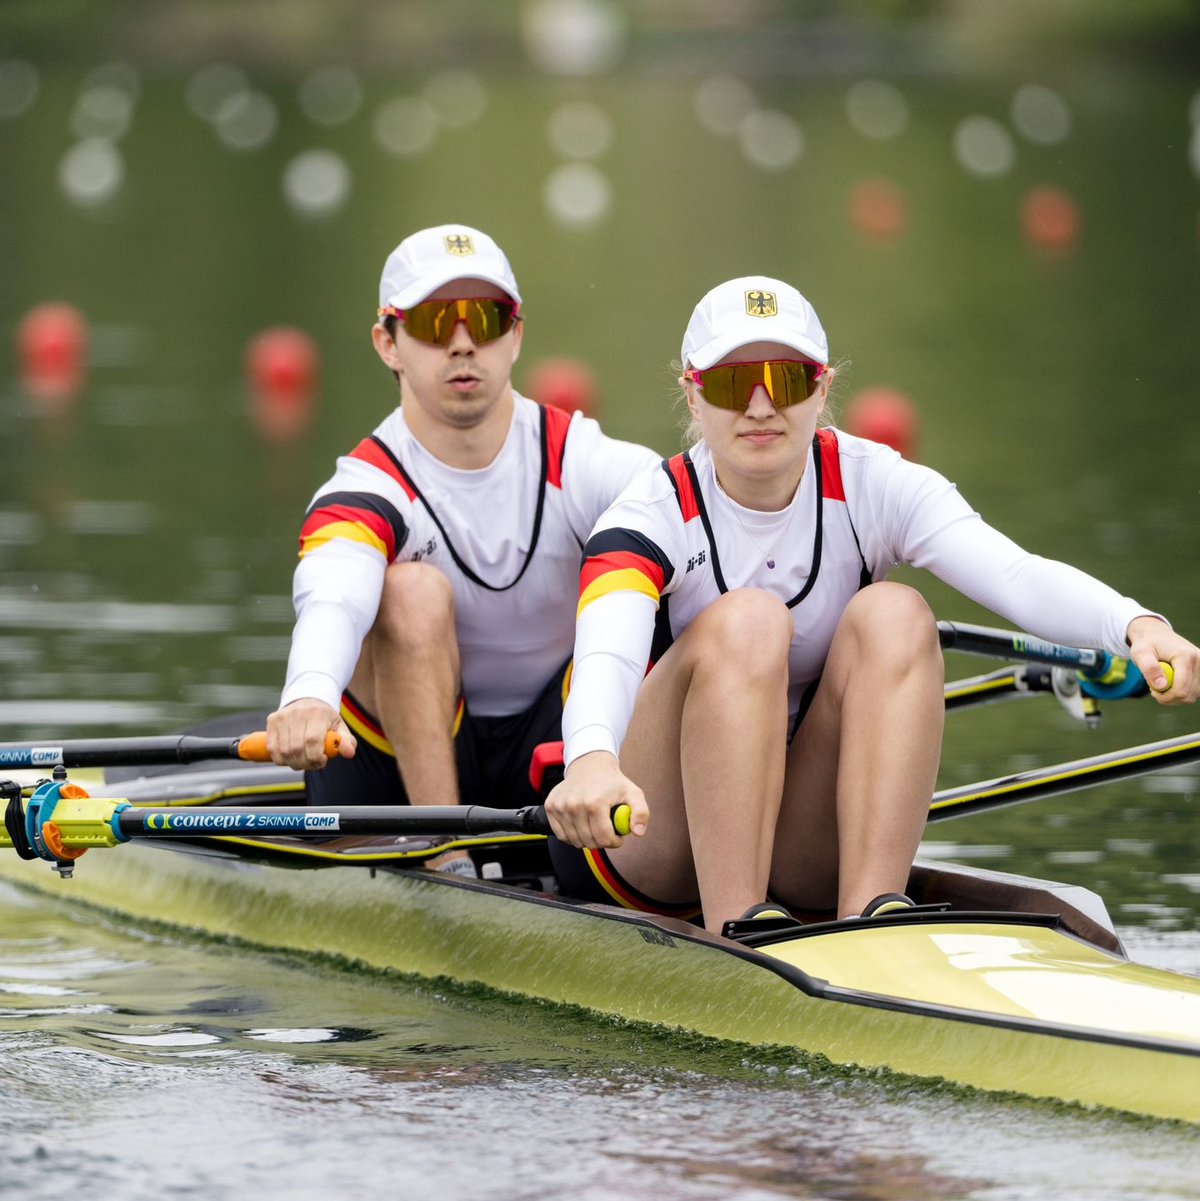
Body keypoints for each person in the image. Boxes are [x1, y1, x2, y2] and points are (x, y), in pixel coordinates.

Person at [545, 275, 1200, 932]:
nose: (761, 405)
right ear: (693, 392)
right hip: (651, 835)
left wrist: (1136, 625)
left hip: (800, 837)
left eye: (788, 379)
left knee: (898, 614)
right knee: (750, 620)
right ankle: (737, 923)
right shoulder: (648, 514)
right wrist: (592, 759)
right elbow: (608, 651)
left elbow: (1016, 574)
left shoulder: (875, 483)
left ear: (823, 387)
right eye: (730, 382)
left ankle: (872, 917)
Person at [266, 224, 657, 875]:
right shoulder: (366, 485)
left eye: (486, 316)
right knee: (410, 591)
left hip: (550, 757)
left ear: (516, 334)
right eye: (432, 321)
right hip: (390, 774)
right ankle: (444, 860)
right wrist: (308, 693)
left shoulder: (582, 459)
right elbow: (334, 591)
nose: (463, 341)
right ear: (387, 343)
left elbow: (700, 514)